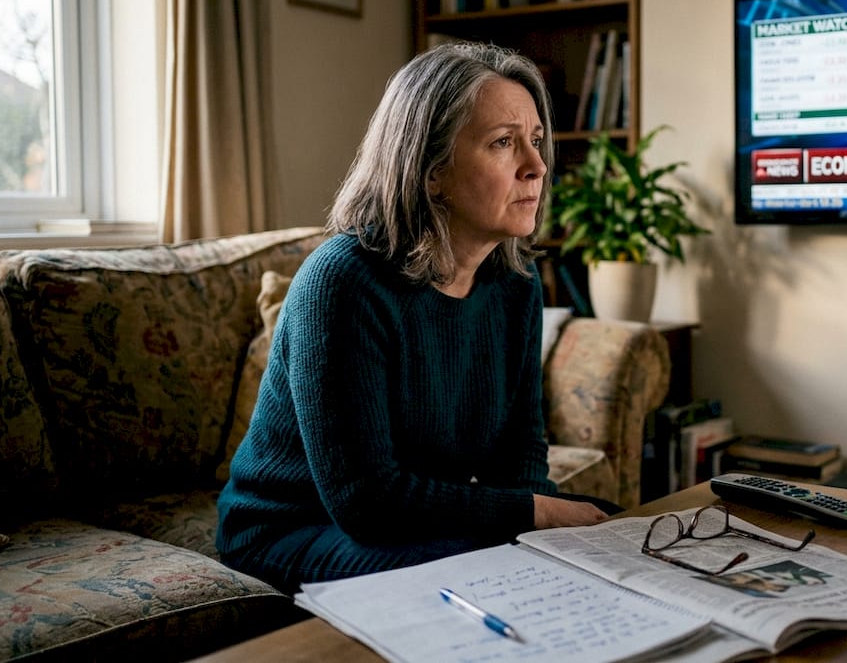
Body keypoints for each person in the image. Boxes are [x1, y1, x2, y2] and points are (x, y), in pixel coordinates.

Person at [216, 41, 611, 594]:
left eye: (537, 141)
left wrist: (541, 523)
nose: (538, 166)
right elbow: (368, 502)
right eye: (504, 143)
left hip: (395, 523)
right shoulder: (343, 282)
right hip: (290, 531)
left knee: (604, 533)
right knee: (489, 568)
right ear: (431, 172)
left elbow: (520, 457)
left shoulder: (515, 284)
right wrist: (535, 515)